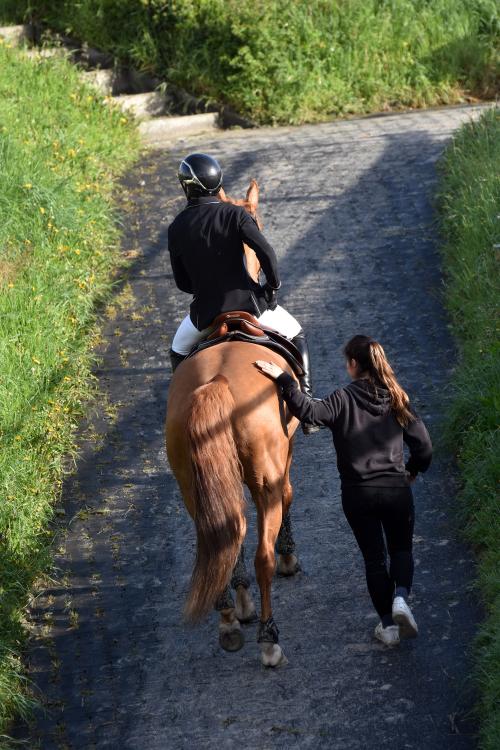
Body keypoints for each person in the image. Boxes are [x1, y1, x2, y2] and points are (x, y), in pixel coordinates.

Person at [255, 335, 432, 646]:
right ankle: (401, 597)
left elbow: (308, 412)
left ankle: (388, 626)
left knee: (374, 560)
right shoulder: (397, 398)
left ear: (353, 365)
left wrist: (284, 378)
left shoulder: (342, 399)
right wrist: (413, 470)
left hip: (358, 494)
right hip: (396, 489)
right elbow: (424, 446)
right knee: (401, 550)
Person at [168, 152, 318, 435]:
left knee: (177, 351)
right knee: (297, 334)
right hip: (252, 306)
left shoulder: (176, 227)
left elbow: (182, 283)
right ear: (218, 182)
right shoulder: (236, 214)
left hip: (204, 315)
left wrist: (202, 288)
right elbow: (267, 254)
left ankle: (184, 410)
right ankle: (308, 407)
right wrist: (271, 288)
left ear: (186, 186)